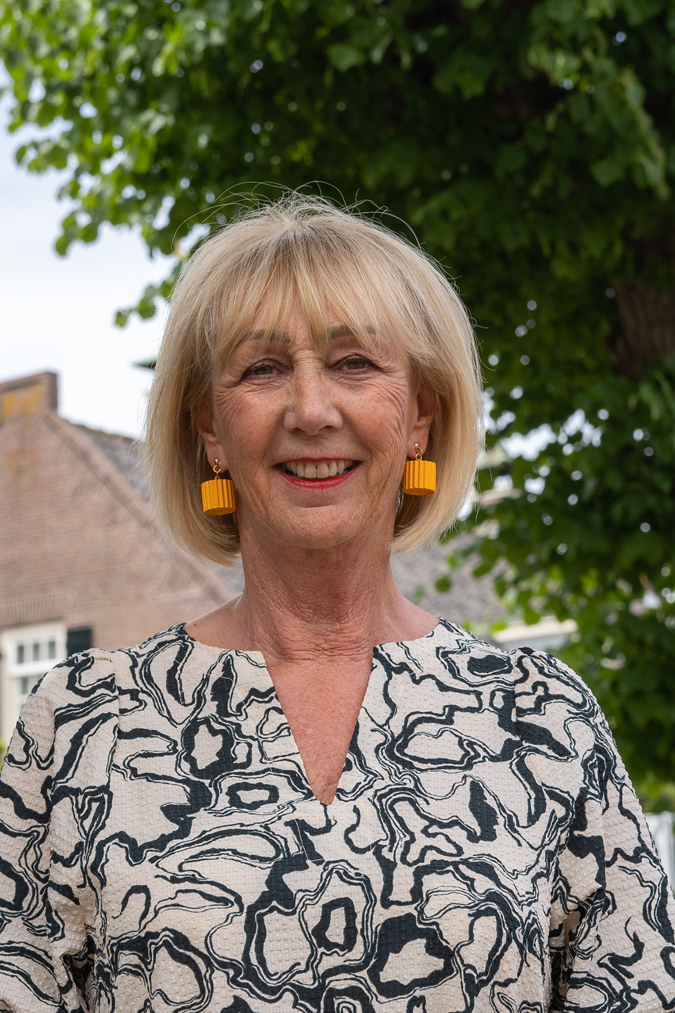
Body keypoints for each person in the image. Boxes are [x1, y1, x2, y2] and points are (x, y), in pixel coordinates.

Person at [0, 195, 673, 1013]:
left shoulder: (543, 718)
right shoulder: (83, 724)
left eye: (354, 363)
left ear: (419, 415)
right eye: (263, 369)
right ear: (210, 427)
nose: (311, 410)